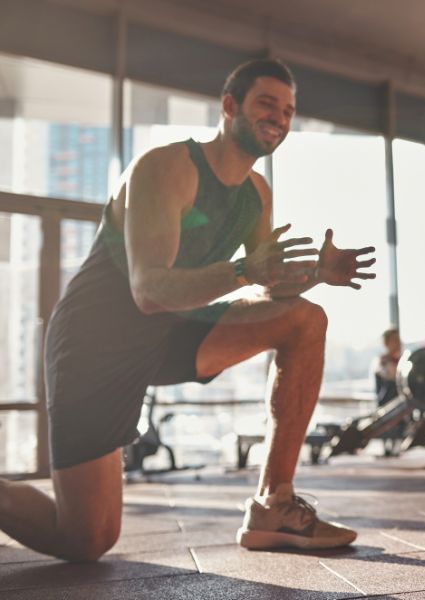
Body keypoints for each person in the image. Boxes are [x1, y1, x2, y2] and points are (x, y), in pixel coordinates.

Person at [0, 58, 377, 561]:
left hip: (170, 331)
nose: (279, 118)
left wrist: (314, 275)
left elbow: (268, 290)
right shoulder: (167, 167)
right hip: (95, 342)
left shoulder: (257, 195)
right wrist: (245, 271)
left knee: (305, 320)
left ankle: (273, 505)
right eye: (266, 103)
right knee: (86, 539)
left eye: (288, 110)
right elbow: (148, 290)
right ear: (229, 106)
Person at [373, 327, 403, 406]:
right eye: (394, 339)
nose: (398, 343)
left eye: (398, 339)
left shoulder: (401, 361)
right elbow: (390, 373)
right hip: (387, 409)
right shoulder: (381, 362)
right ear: (386, 343)